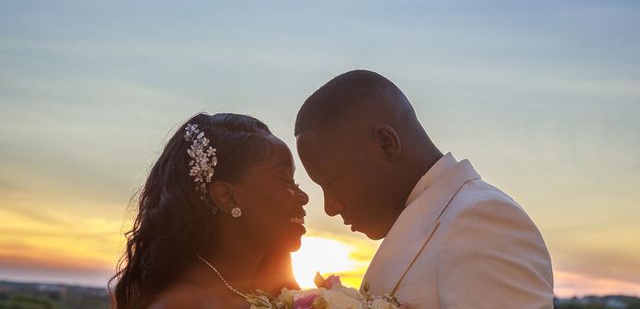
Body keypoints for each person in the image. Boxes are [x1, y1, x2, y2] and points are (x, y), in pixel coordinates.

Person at [295, 70, 554, 309]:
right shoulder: (433, 224)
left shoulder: (483, 220)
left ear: (386, 144)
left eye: (331, 181)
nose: (330, 207)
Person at [111, 113, 309, 309]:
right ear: (227, 197)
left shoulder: (275, 292)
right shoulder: (183, 304)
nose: (304, 197)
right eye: (286, 180)